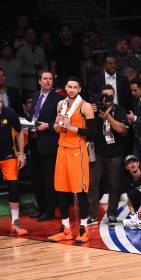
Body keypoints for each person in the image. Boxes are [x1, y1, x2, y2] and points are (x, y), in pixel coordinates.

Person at [48, 77, 95, 243]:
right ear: (66, 88)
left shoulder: (86, 106)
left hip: (78, 150)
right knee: (61, 189)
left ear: (79, 89)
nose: (72, 89)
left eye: (75, 87)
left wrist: (71, 127)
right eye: (69, 86)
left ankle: (83, 229)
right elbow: (56, 127)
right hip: (62, 149)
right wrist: (58, 124)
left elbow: (93, 133)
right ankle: (66, 228)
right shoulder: (60, 105)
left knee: (80, 191)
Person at [88, 85, 129, 225]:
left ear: (114, 95)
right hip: (97, 153)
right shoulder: (93, 110)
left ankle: (112, 214)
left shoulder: (120, 110)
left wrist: (107, 115)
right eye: (105, 95)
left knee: (114, 185)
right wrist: (91, 112)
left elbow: (122, 130)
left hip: (115, 154)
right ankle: (92, 215)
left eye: (110, 95)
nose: (107, 98)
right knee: (93, 184)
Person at [29, 71, 62, 221]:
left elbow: (61, 122)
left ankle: (49, 210)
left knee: (48, 179)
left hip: (49, 142)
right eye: (45, 79)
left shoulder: (58, 99)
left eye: (50, 79)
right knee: (36, 178)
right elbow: (35, 116)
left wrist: (48, 126)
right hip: (34, 142)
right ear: (39, 81)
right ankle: (41, 207)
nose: (48, 81)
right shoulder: (36, 95)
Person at [0, 95, 27, 236]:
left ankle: (15, 223)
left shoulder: (9, 113)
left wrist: (21, 153)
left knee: (14, 187)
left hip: (8, 156)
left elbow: (20, 130)